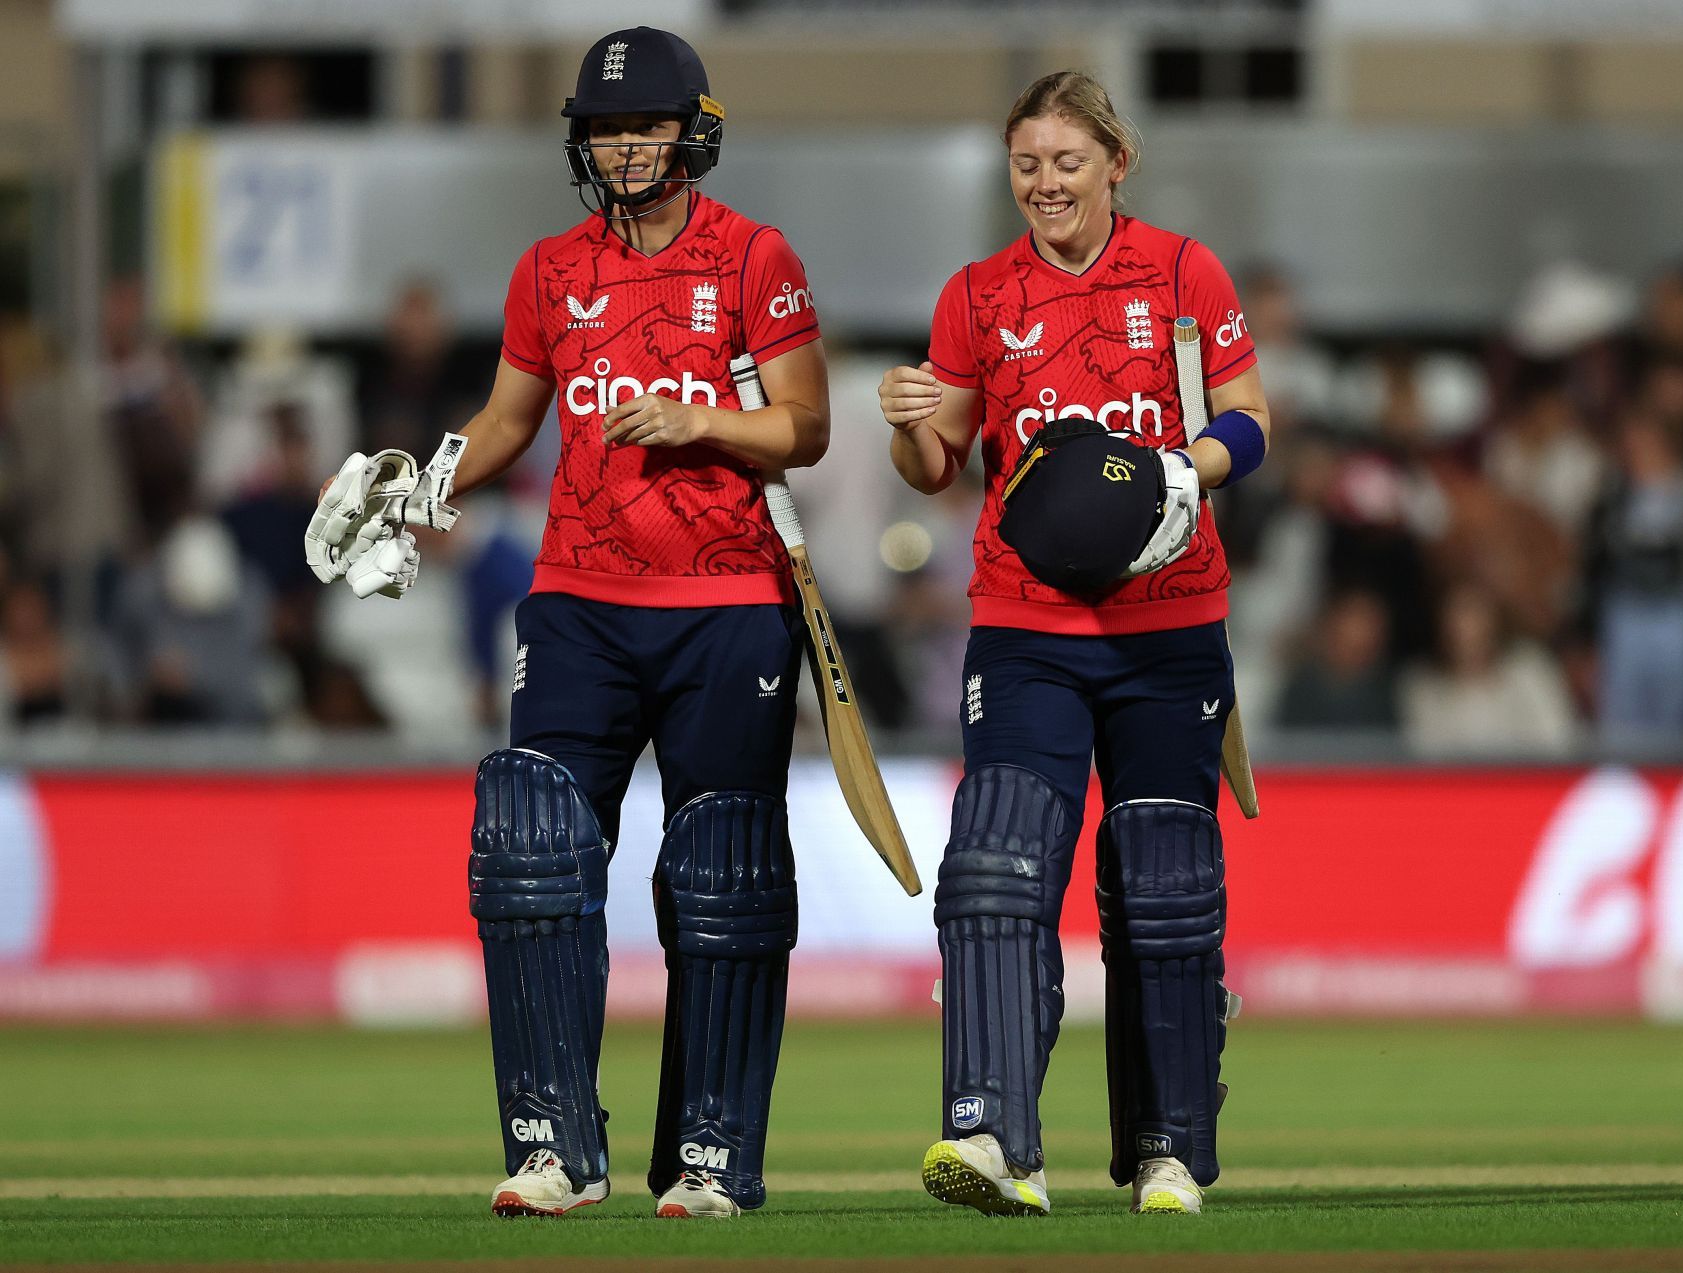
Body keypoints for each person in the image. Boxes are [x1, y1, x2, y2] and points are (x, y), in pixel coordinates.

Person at [304, 27, 828, 1220]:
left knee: (724, 875)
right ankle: (555, 1145)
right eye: (604, 126)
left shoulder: (754, 257)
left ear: (694, 126)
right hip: (582, 602)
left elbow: (805, 426)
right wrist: (426, 482)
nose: (624, 145)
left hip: (728, 604)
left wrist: (695, 424)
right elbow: (506, 418)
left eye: (644, 124)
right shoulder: (550, 270)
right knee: (533, 847)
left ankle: (712, 1157)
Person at [878, 71, 1269, 1218]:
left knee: (1163, 889)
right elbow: (939, 466)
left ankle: (1166, 1150)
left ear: (1115, 163)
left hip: (1170, 624)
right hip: (1023, 627)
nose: (1044, 183)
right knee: (996, 866)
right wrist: (910, 428)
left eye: (1066, 162)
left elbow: (1249, 417)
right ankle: (994, 1138)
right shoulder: (975, 295)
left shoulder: (1185, 272)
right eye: (1027, 164)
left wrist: (1173, 472)